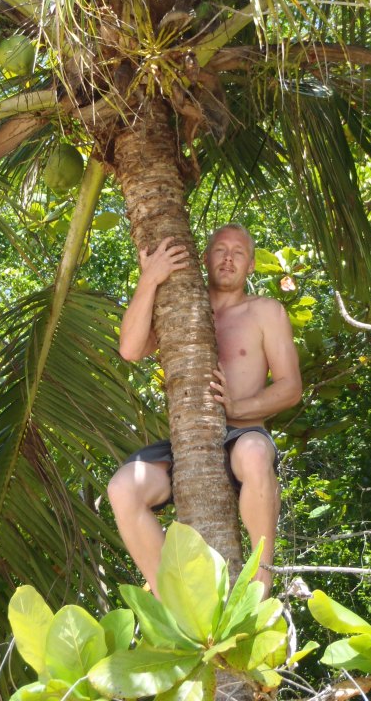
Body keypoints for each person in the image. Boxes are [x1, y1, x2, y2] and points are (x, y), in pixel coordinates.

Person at [107, 223, 302, 597]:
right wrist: (149, 280)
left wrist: (238, 406)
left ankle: (261, 582)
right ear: (204, 257)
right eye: (220, 250)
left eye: (239, 253)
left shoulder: (265, 311)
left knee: (255, 453)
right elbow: (130, 349)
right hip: (190, 444)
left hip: (243, 434)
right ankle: (173, 600)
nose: (228, 258)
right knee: (122, 489)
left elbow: (290, 387)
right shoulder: (179, 307)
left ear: (250, 267)